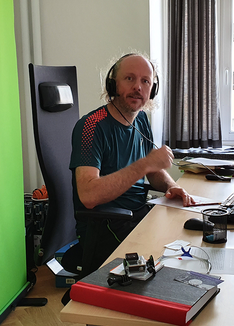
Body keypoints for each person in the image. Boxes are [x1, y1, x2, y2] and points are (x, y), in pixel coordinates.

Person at [69, 53, 195, 275]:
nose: (138, 87)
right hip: (107, 225)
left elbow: (153, 171)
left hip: (137, 214)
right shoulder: (91, 127)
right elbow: (88, 195)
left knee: (190, 237)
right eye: (129, 78)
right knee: (171, 265)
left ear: (152, 89)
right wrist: (145, 164)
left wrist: (170, 186)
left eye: (145, 81)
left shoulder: (141, 120)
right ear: (112, 84)